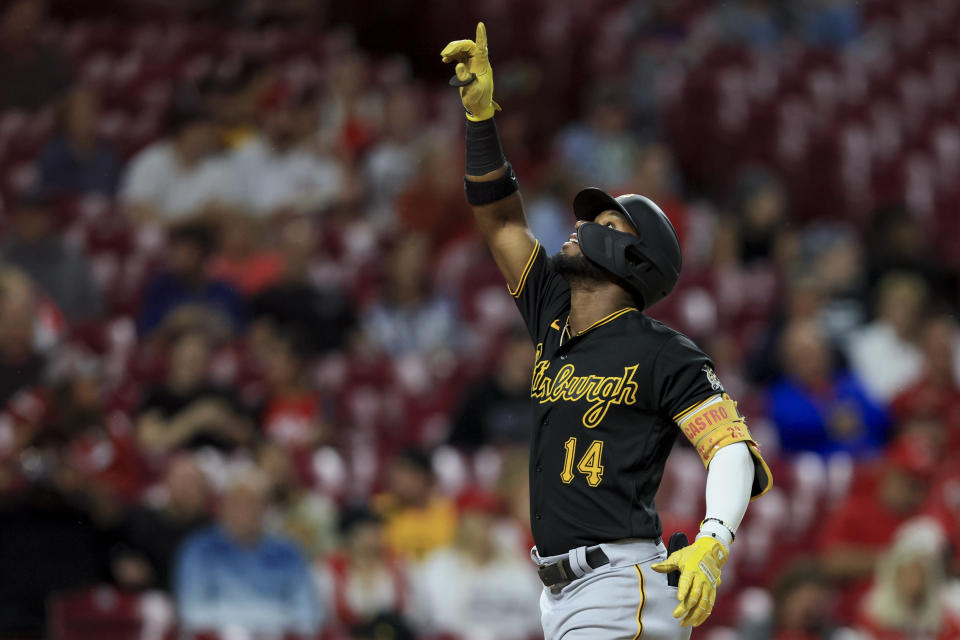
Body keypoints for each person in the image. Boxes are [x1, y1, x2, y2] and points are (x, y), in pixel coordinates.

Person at [440, 23, 772, 636]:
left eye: (606, 223)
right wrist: (482, 119)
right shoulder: (551, 313)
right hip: (564, 594)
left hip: (621, 587)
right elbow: (501, 222)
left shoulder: (663, 351)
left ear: (636, 261)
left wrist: (714, 541)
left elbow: (731, 449)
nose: (582, 223)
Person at [174, 470, 323, 636]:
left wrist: (261, 626)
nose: (245, 511)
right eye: (237, 503)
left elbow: (307, 614)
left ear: (265, 509)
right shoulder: (199, 550)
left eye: (252, 503)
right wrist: (263, 618)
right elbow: (192, 612)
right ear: (222, 507)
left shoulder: (288, 553)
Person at [412, 489, 542, 639]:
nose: (488, 525)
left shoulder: (516, 565)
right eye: (479, 517)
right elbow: (439, 626)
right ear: (462, 522)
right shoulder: (439, 566)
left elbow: (536, 621)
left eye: (491, 517)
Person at [768, 319, 889, 457]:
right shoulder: (781, 393)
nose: (811, 359)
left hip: (865, 461)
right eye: (803, 354)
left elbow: (880, 416)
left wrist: (857, 418)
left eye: (816, 351)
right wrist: (829, 421)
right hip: (813, 469)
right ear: (788, 360)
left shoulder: (848, 382)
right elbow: (790, 424)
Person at [135, 327, 252, 455]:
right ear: (172, 355)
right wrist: (197, 418)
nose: (192, 358)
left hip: (221, 464)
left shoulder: (221, 394)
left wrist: (224, 424)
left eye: (199, 354)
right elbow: (149, 440)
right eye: (187, 353)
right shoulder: (157, 395)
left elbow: (246, 437)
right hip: (173, 465)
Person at [1, 189, 103, 323]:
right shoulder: (5, 256)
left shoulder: (71, 258)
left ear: (49, 218)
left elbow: (93, 309)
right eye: (24, 215)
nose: (29, 221)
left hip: (63, 335)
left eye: (36, 215)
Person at [112, 453, 211, 591]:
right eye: (182, 481)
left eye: (194, 483)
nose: (187, 489)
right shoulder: (141, 520)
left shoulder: (211, 532)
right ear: (167, 483)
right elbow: (118, 551)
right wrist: (123, 563)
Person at [119, 104, 230, 225]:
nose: (203, 138)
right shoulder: (150, 162)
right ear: (180, 133)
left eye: (207, 133)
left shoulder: (219, 169)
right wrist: (193, 219)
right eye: (197, 132)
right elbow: (139, 212)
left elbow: (216, 216)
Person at [855, 518, 960, 639]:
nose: (914, 582)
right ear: (895, 575)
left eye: (920, 575)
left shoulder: (945, 613)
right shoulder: (872, 612)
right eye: (908, 574)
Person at [137, 221, 247, 336]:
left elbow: (239, 335)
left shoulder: (227, 292)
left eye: (187, 252)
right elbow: (147, 336)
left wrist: (204, 320)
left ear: (204, 255)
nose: (178, 257)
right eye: (175, 250)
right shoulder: (161, 288)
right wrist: (174, 324)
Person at [316, 505, 410, 633]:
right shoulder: (329, 569)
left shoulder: (397, 564)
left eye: (378, 530)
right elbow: (323, 614)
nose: (377, 535)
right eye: (369, 531)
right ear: (351, 536)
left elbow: (412, 611)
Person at [447, 326, 534, 450]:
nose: (526, 361)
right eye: (520, 356)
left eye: (531, 357)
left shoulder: (545, 397)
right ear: (506, 353)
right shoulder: (480, 395)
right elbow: (458, 443)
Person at [372, 449, 457, 562]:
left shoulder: (449, 512)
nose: (399, 480)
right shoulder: (380, 510)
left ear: (428, 478)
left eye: (407, 473)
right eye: (396, 474)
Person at [38, 87, 121, 196]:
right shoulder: (53, 155)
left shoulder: (108, 155)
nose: (85, 119)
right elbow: (49, 198)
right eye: (79, 114)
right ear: (67, 118)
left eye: (90, 112)